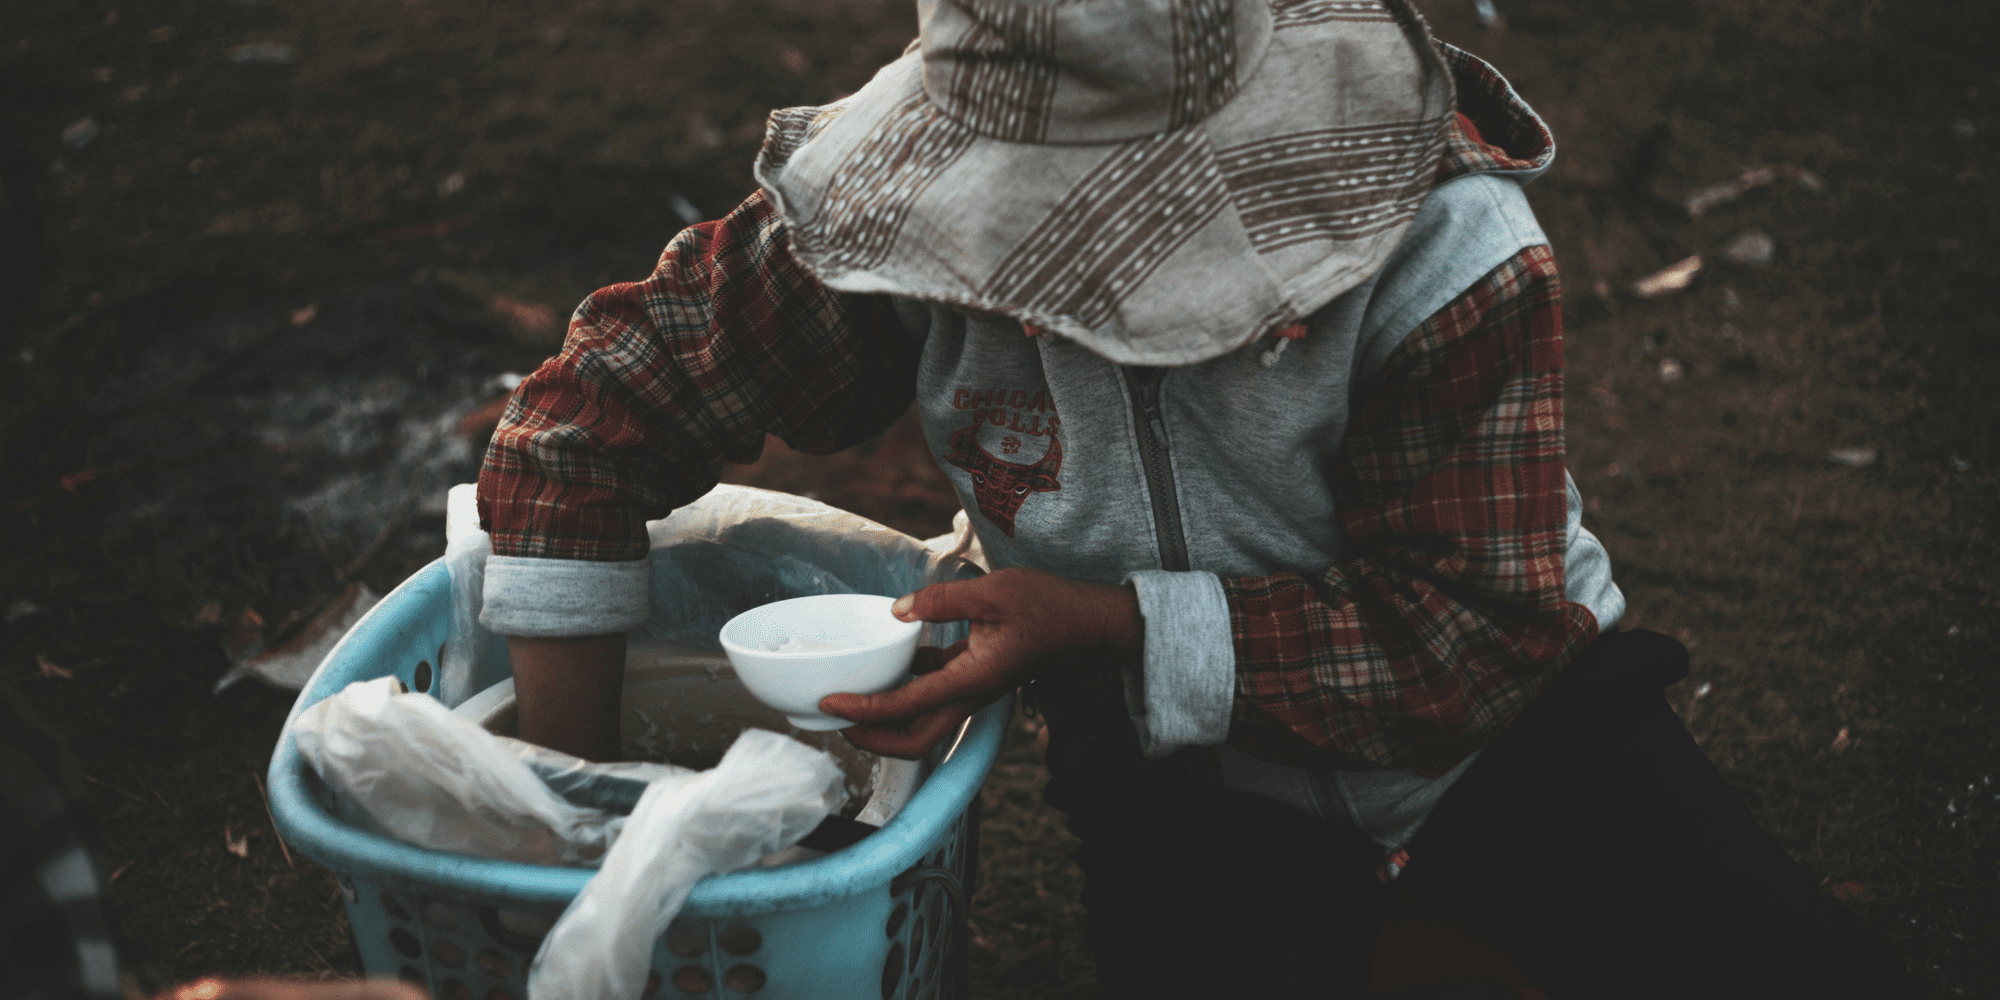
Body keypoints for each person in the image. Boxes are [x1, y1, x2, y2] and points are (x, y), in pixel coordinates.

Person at [474, 0, 1915, 994]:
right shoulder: (904, 236)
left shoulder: (1448, 251)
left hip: (1515, 742)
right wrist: (575, 838)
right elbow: (580, 434)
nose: (1041, 294)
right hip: (1185, 791)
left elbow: (1469, 637)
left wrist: (1101, 628)